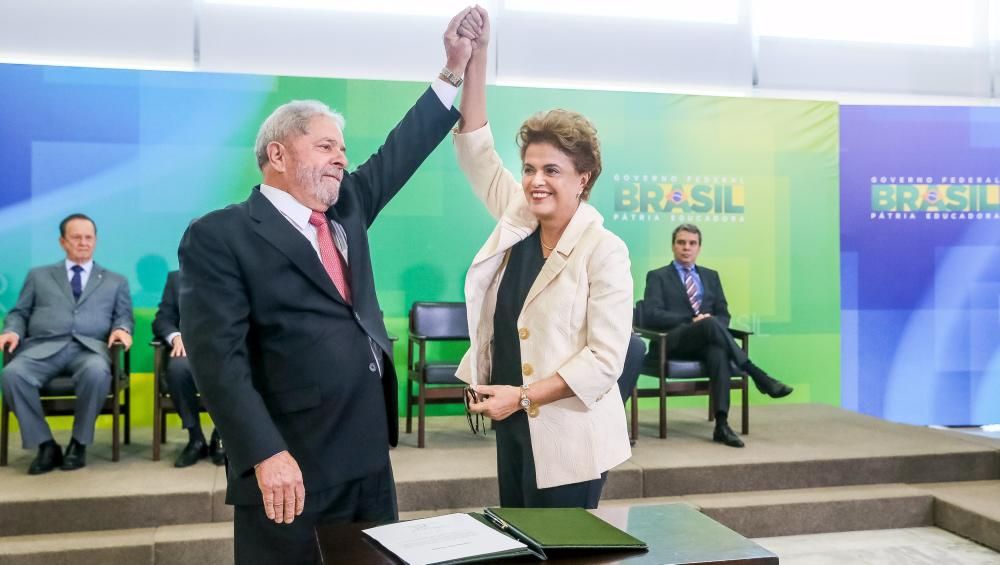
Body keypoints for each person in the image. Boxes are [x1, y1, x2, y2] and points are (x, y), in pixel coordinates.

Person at [177, 8, 472, 563]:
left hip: (366, 456)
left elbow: (401, 149)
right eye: (325, 147)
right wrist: (264, 453)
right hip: (290, 464)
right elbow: (219, 360)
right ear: (278, 155)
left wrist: (452, 69)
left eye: (342, 149)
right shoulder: (221, 235)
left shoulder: (349, 208)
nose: (341, 159)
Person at [455, 7, 633, 509]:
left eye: (552, 170)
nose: (536, 181)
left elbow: (604, 362)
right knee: (521, 542)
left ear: (584, 178)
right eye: (530, 168)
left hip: (572, 435)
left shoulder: (605, 250)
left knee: (565, 552)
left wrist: (525, 397)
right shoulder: (518, 220)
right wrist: (478, 57)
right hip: (512, 425)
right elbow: (474, 149)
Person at [0, 213, 133, 474]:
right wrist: (12, 331)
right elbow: (19, 313)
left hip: (89, 350)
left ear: (95, 241)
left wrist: (122, 329)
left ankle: (79, 443)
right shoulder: (39, 276)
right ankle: (45, 444)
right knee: (12, 375)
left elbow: (123, 316)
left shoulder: (115, 281)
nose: (83, 243)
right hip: (42, 348)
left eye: (88, 237)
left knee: (97, 372)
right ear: (63, 242)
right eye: (76, 237)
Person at [642, 223, 794, 448]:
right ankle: (756, 374)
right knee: (709, 323)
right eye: (681, 242)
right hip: (672, 342)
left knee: (718, 351)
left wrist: (709, 323)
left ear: (699, 248)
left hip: (706, 341)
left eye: (692, 243)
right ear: (673, 246)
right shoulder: (657, 276)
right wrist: (691, 321)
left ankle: (721, 424)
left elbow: (724, 314)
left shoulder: (711, 276)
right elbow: (652, 314)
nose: (686, 248)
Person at [152, 270, 225, 467]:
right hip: (189, 349)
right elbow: (162, 319)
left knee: (231, 370)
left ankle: (222, 436)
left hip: (227, 348)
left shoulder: (234, 274)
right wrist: (175, 336)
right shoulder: (176, 279)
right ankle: (196, 438)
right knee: (177, 370)